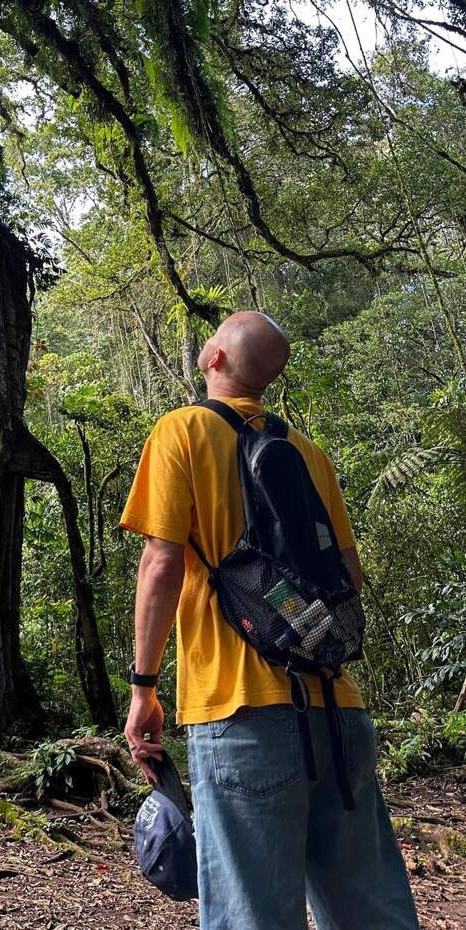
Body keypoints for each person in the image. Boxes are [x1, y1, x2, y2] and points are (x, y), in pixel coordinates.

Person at [120, 311, 419, 930]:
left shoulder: (182, 430)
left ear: (215, 358)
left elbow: (161, 564)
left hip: (241, 712)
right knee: (371, 909)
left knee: (252, 914)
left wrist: (143, 687)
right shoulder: (308, 453)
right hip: (339, 710)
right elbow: (349, 576)